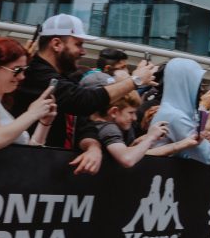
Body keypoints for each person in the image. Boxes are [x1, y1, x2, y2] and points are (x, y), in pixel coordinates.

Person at [11, 14, 157, 173]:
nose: (83, 51)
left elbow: (82, 123)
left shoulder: (63, 77)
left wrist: (93, 147)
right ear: (56, 44)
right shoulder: (35, 74)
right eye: (78, 44)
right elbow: (83, 102)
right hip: (23, 170)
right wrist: (135, 81)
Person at [87, 92, 199, 167]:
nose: (134, 118)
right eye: (130, 113)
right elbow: (128, 158)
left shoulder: (103, 125)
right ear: (114, 112)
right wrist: (151, 138)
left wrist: (138, 142)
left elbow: (123, 153)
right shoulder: (109, 129)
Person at [0, 37, 57, 149]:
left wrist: (44, 123)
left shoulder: (3, 105)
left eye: (24, 70)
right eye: (17, 70)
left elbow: (29, 152)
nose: (22, 76)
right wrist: (32, 113)